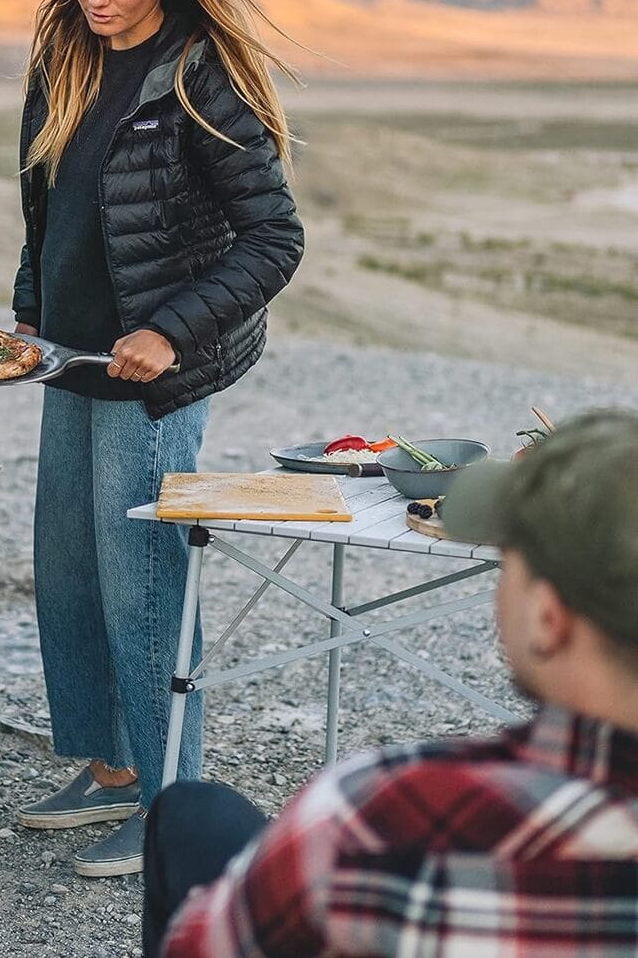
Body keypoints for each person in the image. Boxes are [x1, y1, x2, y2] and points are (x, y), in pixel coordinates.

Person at [11, 0, 305, 876]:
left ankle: (173, 800)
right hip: (72, 361)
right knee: (71, 573)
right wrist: (25, 321)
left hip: (155, 374)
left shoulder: (199, 72)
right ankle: (112, 769)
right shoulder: (65, 62)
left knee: (142, 586)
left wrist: (173, 333)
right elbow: (46, 213)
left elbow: (274, 240)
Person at [144, 408, 638, 958]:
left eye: (511, 561)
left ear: (549, 619)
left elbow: (202, 945)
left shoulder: (380, 816)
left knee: (189, 815)